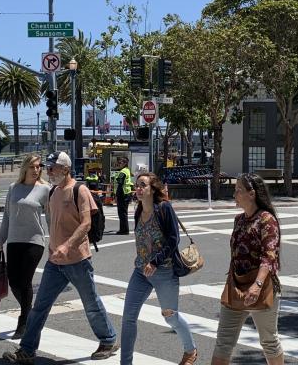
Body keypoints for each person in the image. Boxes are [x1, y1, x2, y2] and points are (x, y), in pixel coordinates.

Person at [2, 151, 118, 364]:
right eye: (48, 167)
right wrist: (53, 246)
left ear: (65, 168)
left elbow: (86, 223)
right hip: (55, 261)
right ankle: (27, 350)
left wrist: (67, 245)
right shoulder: (53, 191)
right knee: (39, 308)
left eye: (52, 167)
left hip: (78, 260)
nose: (48, 171)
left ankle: (108, 339)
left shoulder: (79, 190)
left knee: (91, 303)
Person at [120, 172, 197, 365]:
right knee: (128, 318)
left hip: (164, 271)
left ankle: (190, 350)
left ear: (152, 189)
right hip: (140, 271)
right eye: (137, 185)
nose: (138, 189)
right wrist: (145, 262)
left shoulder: (164, 208)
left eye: (143, 185)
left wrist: (155, 261)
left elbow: (173, 239)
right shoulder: (138, 210)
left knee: (170, 318)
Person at [212, 173, 284, 365]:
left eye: (238, 190)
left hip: (261, 287)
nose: (234, 194)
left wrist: (258, 284)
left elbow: (269, 256)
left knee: (269, 341)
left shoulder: (266, 219)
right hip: (237, 286)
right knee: (223, 342)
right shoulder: (239, 220)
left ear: (252, 194)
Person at [0, 154, 51, 340]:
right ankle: (30, 310)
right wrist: (0, 241)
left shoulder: (45, 189)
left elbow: (51, 219)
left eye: (39, 167)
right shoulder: (14, 188)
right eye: (33, 166)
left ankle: (23, 321)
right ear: (25, 168)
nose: (36, 170)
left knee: (25, 281)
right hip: (14, 241)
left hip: (34, 241)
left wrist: (55, 242)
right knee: (13, 282)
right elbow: (7, 216)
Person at [112, 156, 134, 235]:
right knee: (123, 212)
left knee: (122, 213)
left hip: (123, 193)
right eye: (118, 162)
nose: (119, 164)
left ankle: (124, 230)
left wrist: (116, 195)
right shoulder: (126, 170)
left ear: (125, 163)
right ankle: (123, 229)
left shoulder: (123, 172)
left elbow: (120, 184)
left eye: (120, 162)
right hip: (126, 193)